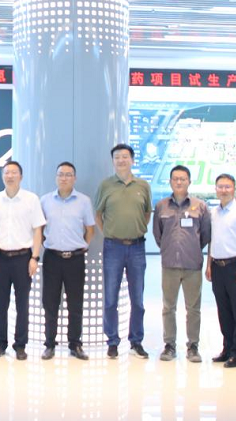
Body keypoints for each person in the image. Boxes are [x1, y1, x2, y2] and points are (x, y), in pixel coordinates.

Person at [95, 143, 152, 359]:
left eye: (125, 156)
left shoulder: (143, 186)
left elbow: (146, 213)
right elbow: (98, 214)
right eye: (117, 157)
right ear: (113, 161)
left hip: (137, 247)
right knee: (111, 298)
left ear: (132, 160)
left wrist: (135, 229)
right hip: (113, 248)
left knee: (137, 299)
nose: (121, 160)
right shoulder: (105, 185)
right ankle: (112, 341)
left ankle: (136, 341)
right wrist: (110, 233)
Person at [0, 160, 45, 360]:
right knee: (0, 303)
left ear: (21, 176)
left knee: (22, 304)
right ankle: (0, 343)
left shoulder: (31, 199)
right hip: (0, 257)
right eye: (6, 172)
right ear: (2, 176)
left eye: (14, 172)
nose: (10, 176)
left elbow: (37, 230)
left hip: (23, 258)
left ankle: (20, 345)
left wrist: (35, 257)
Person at [152, 164, 211, 363]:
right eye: (175, 179)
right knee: (168, 307)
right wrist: (169, 248)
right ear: (170, 182)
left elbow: (205, 235)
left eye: (182, 179)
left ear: (189, 182)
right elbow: (158, 235)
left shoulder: (200, 206)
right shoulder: (161, 206)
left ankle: (193, 346)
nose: (179, 182)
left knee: (193, 308)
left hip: (192, 265)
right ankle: (169, 345)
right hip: (169, 264)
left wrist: (192, 248)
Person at [39, 162, 95, 360]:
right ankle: (50, 344)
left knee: (75, 303)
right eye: (61, 174)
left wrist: (83, 246)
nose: (64, 178)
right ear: (56, 177)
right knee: (50, 303)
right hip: (52, 258)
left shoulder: (84, 201)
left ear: (75, 178)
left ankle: (75, 344)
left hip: (75, 260)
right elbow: (39, 230)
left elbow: (90, 229)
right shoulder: (45, 201)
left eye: (68, 175)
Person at [205, 174, 236, 368]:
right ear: (215, 189)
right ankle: (227, 347)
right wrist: (209, 264)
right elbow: (212, 241)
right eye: (220, 186)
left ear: (234, 189)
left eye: (227, 187)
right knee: (223, 310)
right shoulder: (213, 213)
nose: (223, 190)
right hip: (217, 267)